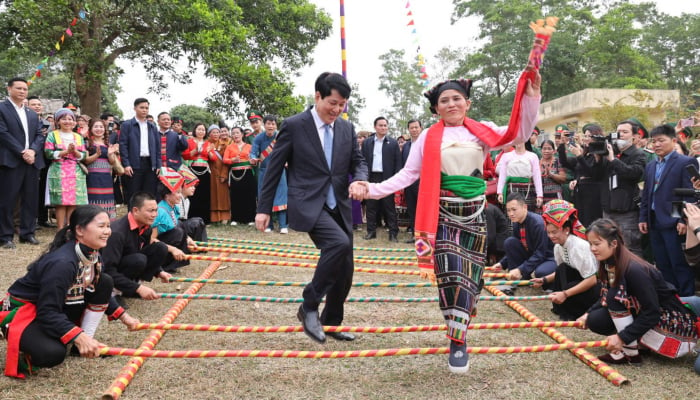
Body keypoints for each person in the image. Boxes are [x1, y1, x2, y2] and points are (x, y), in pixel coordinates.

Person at [357, 28, 546, 372]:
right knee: (450, 277)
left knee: (471, 282)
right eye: (444, 100)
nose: (451, 104)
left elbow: (519, 133)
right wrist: (369, 189)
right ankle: (457, 342)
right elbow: (406, 176)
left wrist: (531, 95)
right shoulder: (428, 136)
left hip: (475, 218)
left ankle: (462, 327)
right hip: (441, 218)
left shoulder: (483, 131)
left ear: (467, 103)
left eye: (456, 98)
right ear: (435, 108)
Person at [255, 72, 368, 345]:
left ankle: (331, 322)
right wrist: (264, 208)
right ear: (317, 96)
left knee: (345, 268)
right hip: (308, 202)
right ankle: (308, 304)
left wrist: (362, 179)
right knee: (339, 244)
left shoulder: (346, 128)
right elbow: (273, 167)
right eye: (333, 102)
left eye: (342, 104)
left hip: (338, 204)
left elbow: (358, 160)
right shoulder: (294, 125)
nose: (337, 109)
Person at [0, 205, 139, 378]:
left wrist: (124, 317)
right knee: (52, 353)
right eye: (101, 226)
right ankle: (22, 345)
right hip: (24, 311)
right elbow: (47, 311)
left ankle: (83, 344)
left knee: (105, 281)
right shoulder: (63, 264)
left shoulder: (92, 252)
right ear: (80, 230)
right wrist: (78, 336)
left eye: (108, 226)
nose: (107, 231)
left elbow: (95, 285)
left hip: (50, 307)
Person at [577, 218, 698, 364]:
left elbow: (653, 312)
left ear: (614, 244)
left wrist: (622, 337)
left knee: (613, 298)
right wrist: (587, 313)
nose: (592, 248)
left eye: (597, 244)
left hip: (669, 319)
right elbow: (606, 294)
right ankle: (634, 346)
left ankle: (631, 353)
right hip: (646, 312)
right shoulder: (608, 262)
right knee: (596, 318)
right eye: (590, 244)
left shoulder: (634, 269)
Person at [639, 124, 698, 296]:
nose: (656, 145)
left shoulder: (684, 162)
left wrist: (680, 219)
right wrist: (643, 217)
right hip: (654, 220)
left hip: (673, 222)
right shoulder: (651, 166)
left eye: (661, 141)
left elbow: (687, 193)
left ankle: (687, 301)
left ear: (673, 141)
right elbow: (647, 194)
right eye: (654, 141)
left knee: (678, 263)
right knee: (662, 264)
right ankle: (671, 301)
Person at [101, 192, 171, 308]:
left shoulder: (146, 227)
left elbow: (146, 250)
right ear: (135, 211)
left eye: (155, 210)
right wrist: (138, 288)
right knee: (139, 259)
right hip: (110, 272)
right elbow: (107, 269)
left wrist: (159, 271)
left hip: (129, 262)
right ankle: (113, 292)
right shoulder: (117, 233)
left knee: (160, 248)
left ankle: (132, 287)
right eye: (150, 211)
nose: (154, 215)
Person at [533, 200, 599, 320]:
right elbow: (561, 271)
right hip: (576, 283)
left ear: (566, 230)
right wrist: (544, 280)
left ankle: (576, 311)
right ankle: (562, 308)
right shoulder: (558, 246)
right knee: (561, 269)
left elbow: (592, 280)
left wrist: (565, 294)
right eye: (548, 232)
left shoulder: (579, 247)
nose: (551, 236)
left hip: (593, 289)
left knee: (570, 283)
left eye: (554, 232)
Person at [590, 121, 647, 257]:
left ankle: (634, 278)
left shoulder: (638, 154)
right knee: (609, 249)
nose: (620, 135)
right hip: (608, 211)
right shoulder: (610, 153)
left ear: (634, 137)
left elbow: (634, 174)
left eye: (625, 132)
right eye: (618, 131)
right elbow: (596, 177)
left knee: (630, 248)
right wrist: (598, 159)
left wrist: (613, 160)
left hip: (627, 213)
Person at [0, 77, 45, 248]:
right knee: (7, 199)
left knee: (30, 199)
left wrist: (32, 150)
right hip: (11, 160)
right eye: (18, 88)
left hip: (32, 161)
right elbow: (2, 133)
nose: (22, 91)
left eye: (25, 89)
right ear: (9, 89)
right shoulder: (2, 108)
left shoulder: (31, 113)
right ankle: (5, 236)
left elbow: (40, 135)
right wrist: (22, 151)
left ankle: (27, 233)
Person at [493, 192, 556, 281]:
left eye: (514, 209)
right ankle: (516, 277)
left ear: (524, 207)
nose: (511, 214)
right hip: (532, 255)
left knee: (540, 272)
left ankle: (522, 274)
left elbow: (540, 253)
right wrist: (501, 264)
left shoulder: (538, 224)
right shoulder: (517, 223)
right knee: (510, 242)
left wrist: (521, 269)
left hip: (548, 258)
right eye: (508, 210)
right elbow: (515, 248)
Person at [44, 108, 88, 229]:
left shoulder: (78, 137)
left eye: (70, 119)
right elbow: (48, 153)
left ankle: (69, 227)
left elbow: (84, 154)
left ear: (74, 122)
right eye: (64, 119)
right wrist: (66, 152)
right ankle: (60, 229)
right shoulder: (52, 135)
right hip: (58, 169)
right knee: (61, 201)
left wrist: (75, 152)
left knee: (73, 201)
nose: (67, 121)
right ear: (58, 121)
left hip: (75, 170)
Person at [361, 116, 402, 242]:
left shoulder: (393, 143)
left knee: (389, 206)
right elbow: (362, 160)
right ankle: (371, 232)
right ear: (375, 127)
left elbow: (398, 162)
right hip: (371, 177)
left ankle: (393, 233)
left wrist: (396, 179)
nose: (383, 127)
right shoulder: (367, 142)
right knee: (371, 206)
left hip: (387, 178)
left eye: (385, 125)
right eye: (381, 125)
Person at [251, 115, 289, 233]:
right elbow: (253, 151)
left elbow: (288, 149)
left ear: (276, 125)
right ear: (264, 124)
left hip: (279, 171)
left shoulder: (280, 136)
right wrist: (252, 158)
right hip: (264, 171)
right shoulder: (258, 138)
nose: (270, 126)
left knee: (281, 197)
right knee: (265, 197)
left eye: (273, 124)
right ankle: (268, 225)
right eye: (268, 124)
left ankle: (283, 225)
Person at [119, 98, 161, 202]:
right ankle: (132, 218)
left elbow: (157, 147)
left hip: (150, 164)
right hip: (134, 164)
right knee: (134, 194)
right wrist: (126, 164)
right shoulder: (127, 125)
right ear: (135, 108)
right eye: (141, 107)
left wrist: (158, 165)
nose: (144, 110)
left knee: (149, 195)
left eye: (146, 108)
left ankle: (147, 218)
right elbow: (123, 145)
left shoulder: (152, 126)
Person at [560, 124, 602, 227]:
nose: (586, 139)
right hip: (580, 196)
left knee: (591, 226)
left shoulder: (598, 154)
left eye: (589, 136)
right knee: (580, 225)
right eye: (585, 136)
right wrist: (562, 144)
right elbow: (565, 162)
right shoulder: (585, 154)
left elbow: (592, 172)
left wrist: (579, 155)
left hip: (592, 198)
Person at [151, 168, 191, 272]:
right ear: (167, 195)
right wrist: (172, 249)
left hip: (165, 243)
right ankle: (164, 265)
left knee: (180, 226)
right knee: (178, 232)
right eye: (177, 192)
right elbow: (150, 240)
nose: (180, 195)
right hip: (156, 249)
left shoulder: (173, 207)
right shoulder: (160, 212)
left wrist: (189, 239)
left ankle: (173, 263)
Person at [84, 118, 120, 220]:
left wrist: (110, 154)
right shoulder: (87, 144)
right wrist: (96, 155)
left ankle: (107, 221)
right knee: (93, 199)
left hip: (106, 178)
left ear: (105, 129)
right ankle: (91, 220)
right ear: (91, 129)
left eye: (101, 127)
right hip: (92, 177)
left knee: (106, 199)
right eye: (96, 127)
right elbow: (86, 160)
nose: (98, 129)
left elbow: (112, 162)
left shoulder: (108, 144)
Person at [496, 141, 543, 211]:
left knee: (527, 213)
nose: (518, 141)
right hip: (511, 189)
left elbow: (537, 177)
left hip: (528, 189)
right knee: (512, 214)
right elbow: (502, 176)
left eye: (520, 139)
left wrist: (539, 195)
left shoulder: (533, 156)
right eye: (516, 139)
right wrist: (500, 192)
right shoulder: (506, 156)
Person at [224, 126, 257, 225]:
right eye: (233, 133)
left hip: (247, 173)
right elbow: (224, 160)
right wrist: (232, 160)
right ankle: (235, 218)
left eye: (237, 133)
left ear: (242, 134)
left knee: (249, 195)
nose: (235, 135)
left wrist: (253, 161)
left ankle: (250, 218)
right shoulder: (229, 147)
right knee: (235, 195)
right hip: (235, 173)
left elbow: (255, 159)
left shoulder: (249, 146)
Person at [181, 122, 211, 224]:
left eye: (203, 130)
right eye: (199, 129)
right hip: (192, 170)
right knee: (192, 194)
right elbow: (185, 155)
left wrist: (210, 152)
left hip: (205, 170)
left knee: (205, 194)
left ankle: (205, 219)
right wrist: (195, 151)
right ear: (195, 130)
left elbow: (214, 158)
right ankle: (191, 217)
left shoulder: (208, 143)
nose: (201, 131)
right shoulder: (189, 142)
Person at [206, 125, 231, 224]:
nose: (216, 134)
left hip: (221, 171)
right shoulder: (206, 144)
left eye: (217, 132)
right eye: (213, 132)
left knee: (223, 195)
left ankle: (225, 216)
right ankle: (214, 217)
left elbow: (226, 161)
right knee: (212, 195)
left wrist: (224, 174)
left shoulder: (224, 145)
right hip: (210, 172)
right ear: (209, 134)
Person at [402, 119, 422, 240]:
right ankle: (415, 233)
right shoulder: (406, 146)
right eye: (411, 128)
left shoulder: (426, 143)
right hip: (409, 182)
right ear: (408, 130)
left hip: (423, 181)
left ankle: (423, 234)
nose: (414, 130)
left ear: (421, 128)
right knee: (412, 208)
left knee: (422, 209)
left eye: (416, 127)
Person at [176, 166, 208, 243]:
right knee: (196, 221)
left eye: (194, 186)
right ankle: (199, 245)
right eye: (191, 186)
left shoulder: (187, 201)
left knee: (199, 221)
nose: (193, 188)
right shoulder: (176, 199)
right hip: (177, 225)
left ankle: (201, 245)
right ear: (183, 187)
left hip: (183, 223)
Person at [538, 139, 566, 205]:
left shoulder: (557, 161)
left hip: (555, 197)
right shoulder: (537, 163)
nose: (546, 151)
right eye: (544, 149)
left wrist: (551, 175)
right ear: (541, 150)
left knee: (556, 214)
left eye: (549, 149)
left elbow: (563, 179)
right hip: (541, 197)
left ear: (553, 150)